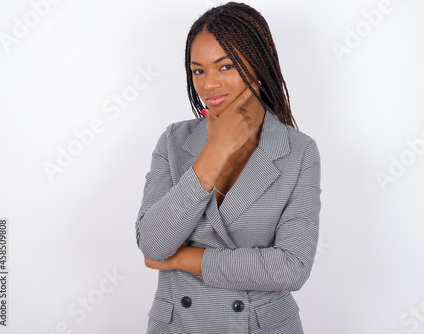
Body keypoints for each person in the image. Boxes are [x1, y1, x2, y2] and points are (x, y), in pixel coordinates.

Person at [134, 2, 321, 333]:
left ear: (259, 64)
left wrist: (183, 260)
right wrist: (214, 153)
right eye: (198, 71)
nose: (209, 86)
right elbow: (152, 244)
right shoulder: (173, 140)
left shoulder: (299, 150)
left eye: (225, 67)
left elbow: (291, 267)